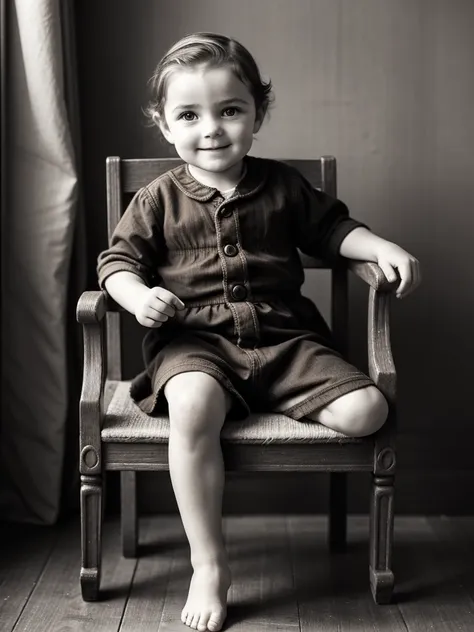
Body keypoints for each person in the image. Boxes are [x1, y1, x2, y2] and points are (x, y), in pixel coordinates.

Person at [97, 32, 421, 632]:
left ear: (257, 114)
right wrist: (138, 297)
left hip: (285, 341)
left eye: (230, 110)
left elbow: (333, 231)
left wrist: (382, 247)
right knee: (193, 403)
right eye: (190, 115)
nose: (212, 129)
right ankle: (209, 564)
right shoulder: (156, 198)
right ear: (165, 126)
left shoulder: (281, 186)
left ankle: (270, 393)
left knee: (369, 411)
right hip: (194, 344)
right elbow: (115, 264)